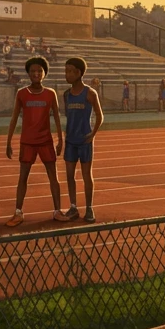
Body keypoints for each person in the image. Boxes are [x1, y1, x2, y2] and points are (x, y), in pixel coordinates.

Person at [5, 56, 65, 226]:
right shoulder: (22, 93)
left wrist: (60, 139)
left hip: (46, 141)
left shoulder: (50, 93)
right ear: (28, 73)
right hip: (27, 142)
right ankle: (18, 212)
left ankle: (57, 210)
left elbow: (57, 118)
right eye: (33, 71)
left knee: (53, 176)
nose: (36, 73)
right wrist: (8, 141)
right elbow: (14, 118)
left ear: (45, 73)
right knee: (23, 177)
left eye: (39, 71)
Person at [62, 56, 103, 222]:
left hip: (85, 141)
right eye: (66, 71)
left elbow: (100, 116)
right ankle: (73, 207)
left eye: (70, 71)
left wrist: (92, 135)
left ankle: (89, 208)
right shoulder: (66, 95)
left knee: (87, 175)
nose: (67, 74)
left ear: (79, 73)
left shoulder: (89, 93)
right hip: (70, 141)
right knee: (70, 175)